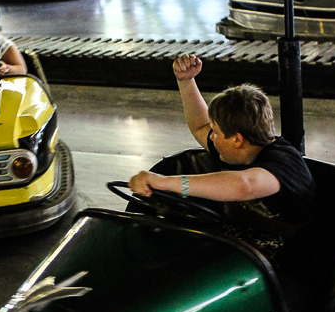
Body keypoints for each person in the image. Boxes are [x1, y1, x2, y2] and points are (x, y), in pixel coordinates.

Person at [129, 54, 317, 284]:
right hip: (238, 254)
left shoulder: (284, 162)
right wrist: (186, 81)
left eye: (216, 132)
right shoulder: (239, 151)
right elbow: (200, 126)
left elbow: (244, 186)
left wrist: (166, 182)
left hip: (281, 274)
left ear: (237, 139)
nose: (212, 137)